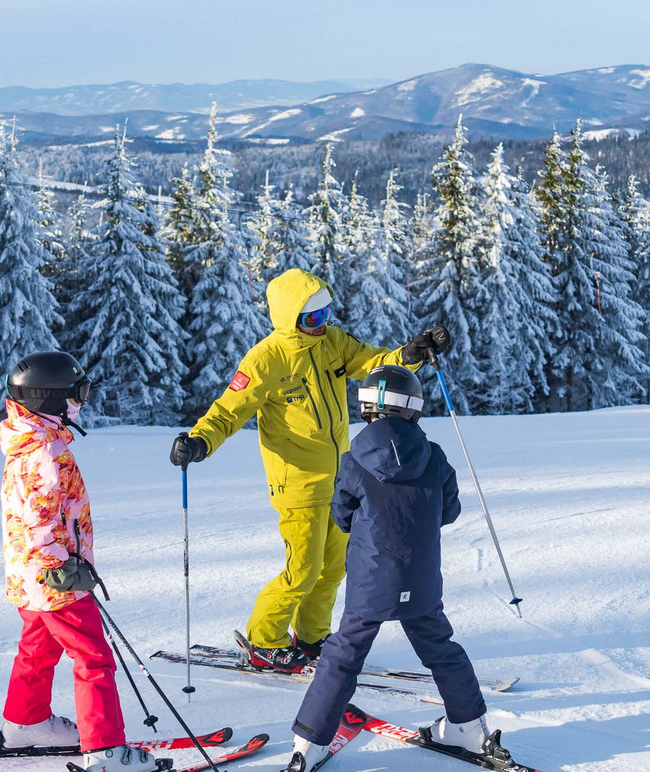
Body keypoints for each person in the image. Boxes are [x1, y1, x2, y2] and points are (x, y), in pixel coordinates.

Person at [170, 269, 450, 672]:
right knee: (302, 570)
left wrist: (408, 355)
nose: (323, 325)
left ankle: (314, 637)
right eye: (314, 318)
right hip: (297, 482)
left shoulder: (333, 343)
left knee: (334, 568)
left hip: (339, 479)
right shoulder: (266, 360)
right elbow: (228, 411)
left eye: (327, 313)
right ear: (291, 318)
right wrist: (199, 441)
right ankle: (265, 640)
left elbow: (374, 363)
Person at [289, 364, 490, 771]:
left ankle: (309, 744)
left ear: (367, 408)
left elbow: (342, 514)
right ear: (414, 407)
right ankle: (468, 727)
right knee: (441, 649)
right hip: (421, 577)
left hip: (370, 581)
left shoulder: (354, 461)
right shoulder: (433, 456)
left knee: (343, 655)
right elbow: (449, 510)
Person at [0, 350, 154, 772]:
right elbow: (41, 521)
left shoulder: (27, 439)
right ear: (49, 399)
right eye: (77, 393)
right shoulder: (46, 453)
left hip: (30, 578)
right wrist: (62, 566)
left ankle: (24, 723)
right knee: (93, 657)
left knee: (38, 648)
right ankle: (105, 751)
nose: (81, 402)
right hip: (55, 579)